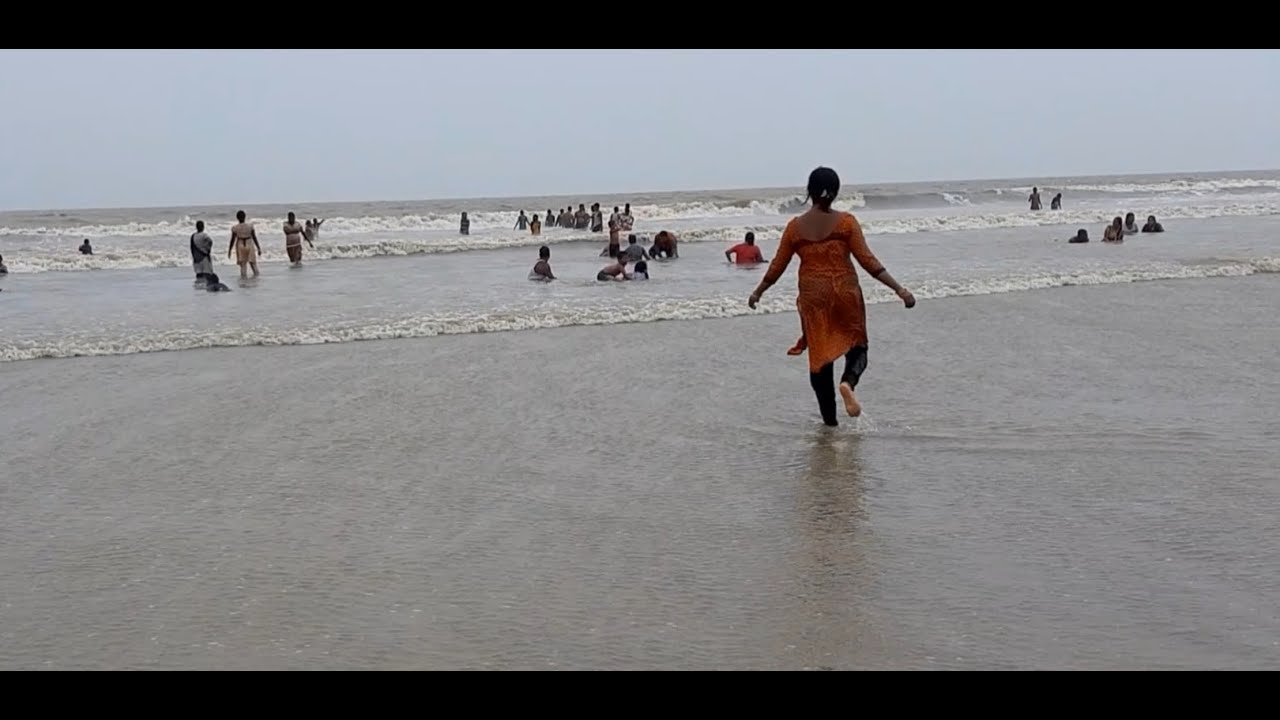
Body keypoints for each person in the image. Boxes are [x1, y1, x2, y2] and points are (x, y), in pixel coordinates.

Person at [748, 166, 915, 426]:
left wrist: (758, 292)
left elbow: (777, 267)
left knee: (820, 359)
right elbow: (868, 261)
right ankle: (848, 383)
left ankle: (830, 424)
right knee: (857, 346)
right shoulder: (846, 222)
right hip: (845, 291)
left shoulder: (794, 228)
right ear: (835, 192)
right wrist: (899, 290)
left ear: (809, 191)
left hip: (814, 297)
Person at [227, 210, 262, 278]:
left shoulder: (235, 228)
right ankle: (257, 278)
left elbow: (232, 240)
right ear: (245, 217)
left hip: (240, 244)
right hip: (249, 243)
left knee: (243, 265)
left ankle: (243, 279)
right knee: (253, 264)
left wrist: (229, 250)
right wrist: (258, 248)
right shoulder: (250, 226)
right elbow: (254, 237)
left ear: (237, 218)